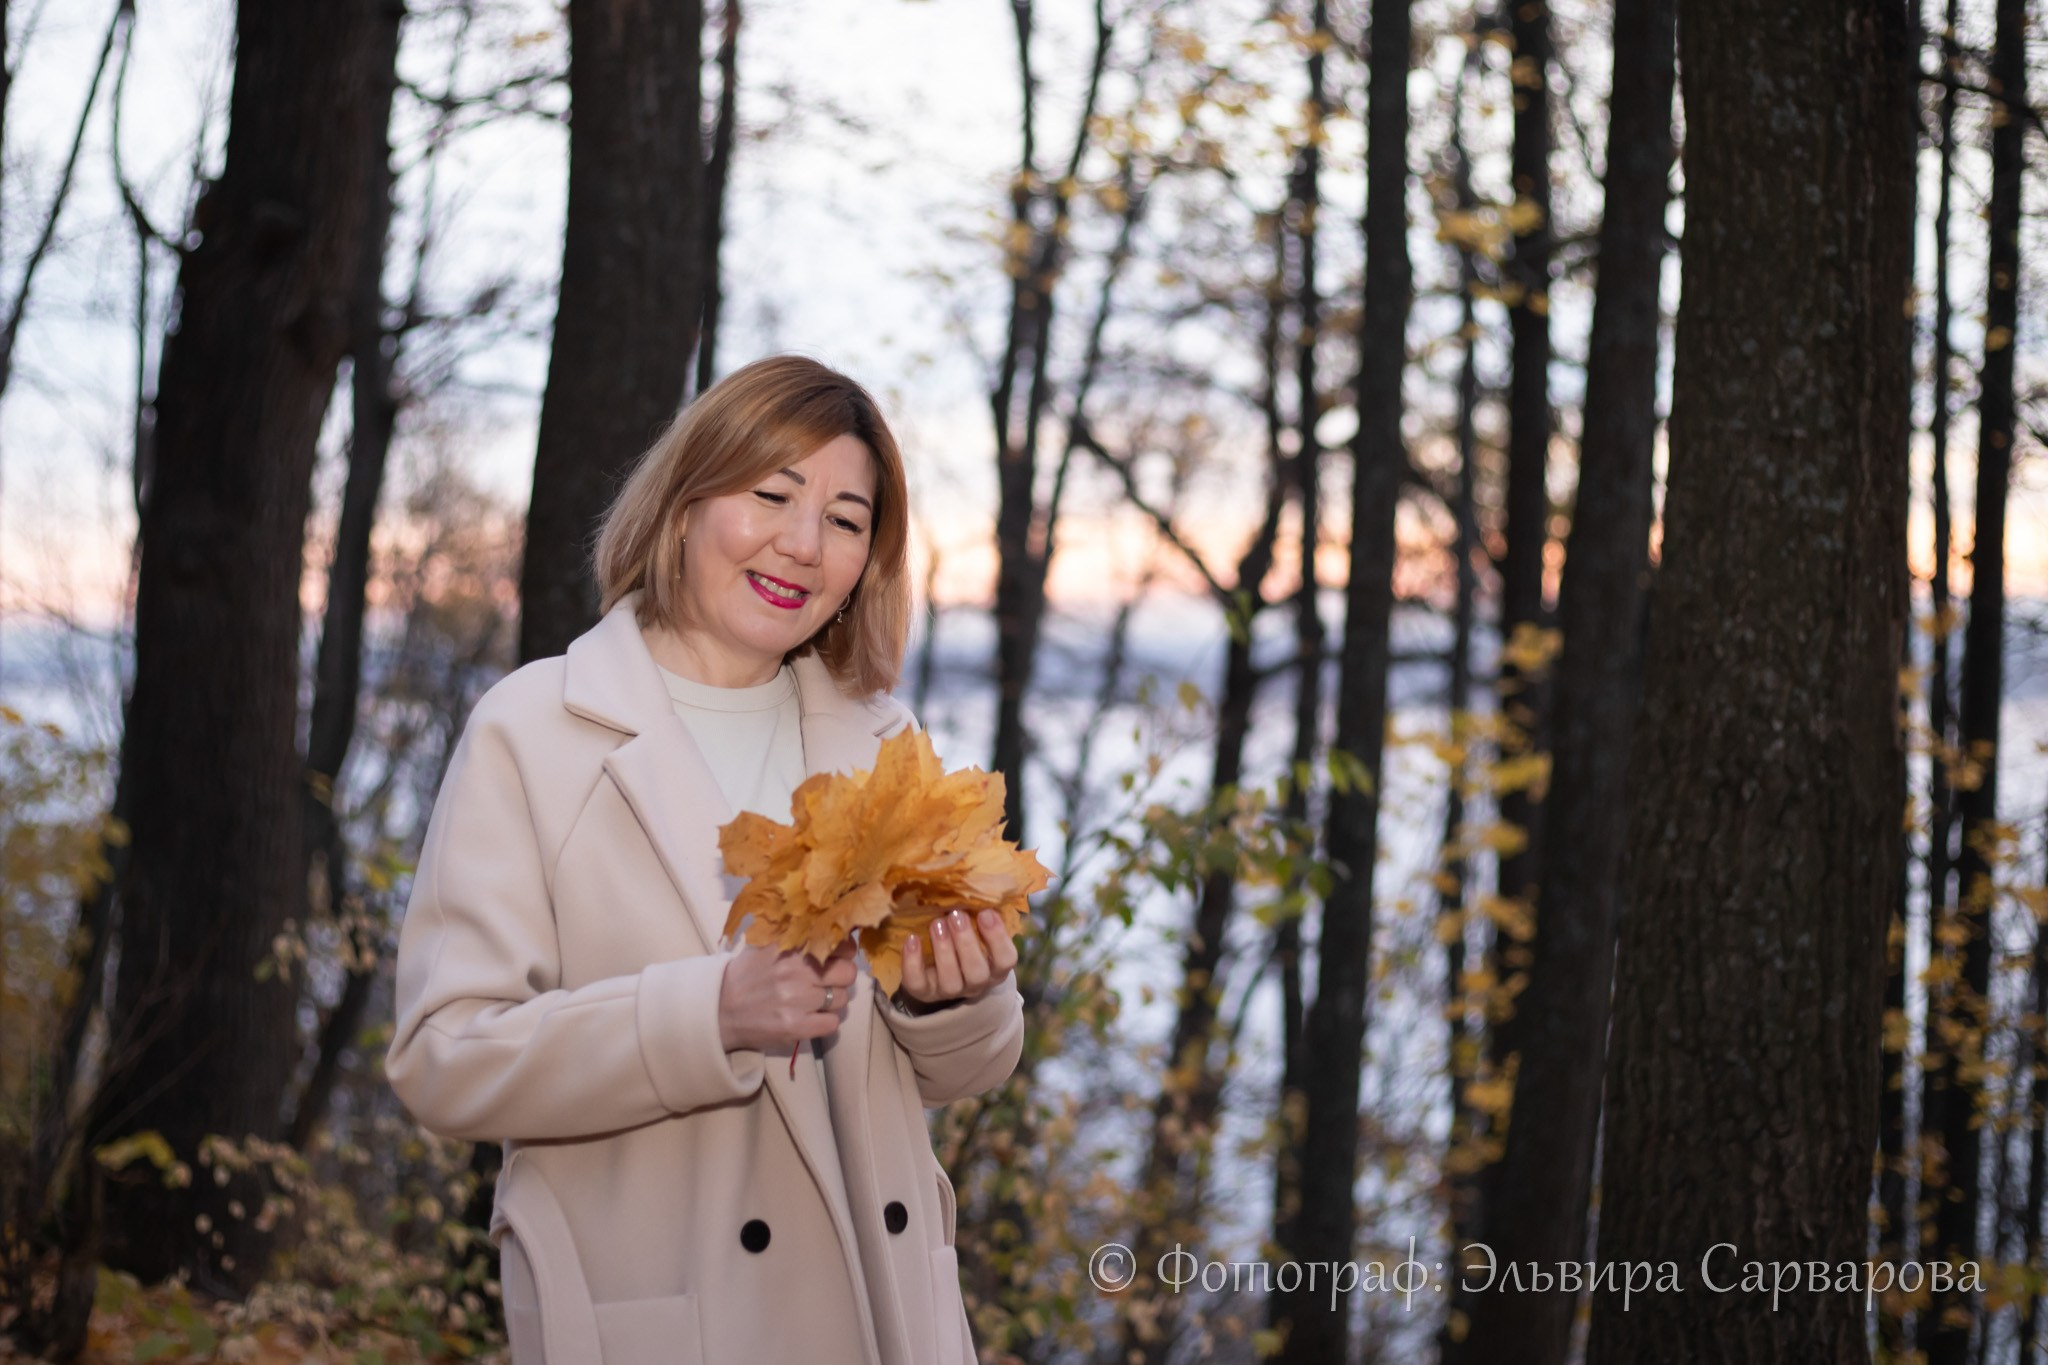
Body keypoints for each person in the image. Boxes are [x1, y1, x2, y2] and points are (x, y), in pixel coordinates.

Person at [386, 355, 1025, 1365]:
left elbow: (962, 1071)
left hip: (885, 1322)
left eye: (846, 520)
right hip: (666, 1324)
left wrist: (953, 1002)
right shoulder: (535, 731)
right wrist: (709, 1015)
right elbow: (443, 1059)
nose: (802, 544)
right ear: (684, 504)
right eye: (770, 495)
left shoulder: (879, 741)